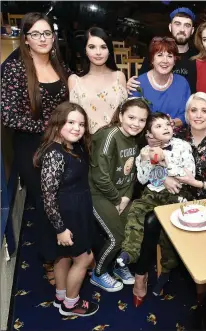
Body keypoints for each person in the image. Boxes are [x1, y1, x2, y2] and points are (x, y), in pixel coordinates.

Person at [130, 92, 206, 308]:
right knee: (151, 220)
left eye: (204, 111)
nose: (198, 115)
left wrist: (195, 183)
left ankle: (197, 280)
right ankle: (142, 274)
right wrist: (166, 176)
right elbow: (151, 159)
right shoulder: (173, 135)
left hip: (205, 200)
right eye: (193, 110)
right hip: (168, 194)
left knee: (174, 219)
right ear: (186, 114)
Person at [1, 12, 72, 286]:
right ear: (26, 39)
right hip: (33, 147)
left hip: (62, 143)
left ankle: (65, 253)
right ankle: (49, 259)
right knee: (45, 204)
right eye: (35, 34)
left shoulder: (57, 61)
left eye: (47, 33)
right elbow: (8, 115)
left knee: (62, 200)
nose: (42, 39)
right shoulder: (15, 68)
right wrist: (50, 128)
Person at [117, 112, 196, 306]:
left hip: (178, 191)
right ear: (150, 134)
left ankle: (166, 268)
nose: (166, 128)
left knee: (162, 222)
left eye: (167, 124)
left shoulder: (182, 146)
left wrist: (164, 161)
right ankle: (129, 252)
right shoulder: (144, 150)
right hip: (153, 192)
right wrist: (146, 160)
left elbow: (189, 174)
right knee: (136, 210)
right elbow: (144, 179)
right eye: (158, 126)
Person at [33, 101, 98, 317]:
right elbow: (48, 196)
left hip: (75, 209)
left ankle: (61, 296)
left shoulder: (73, 146)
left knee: (63, 256)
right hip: (65, 215)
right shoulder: (55, 154)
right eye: (71, 122)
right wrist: (60, 228)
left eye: (81, 124)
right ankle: (71, 304)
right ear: (58, 122)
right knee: (84, 259)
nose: (76, 128)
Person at [89, 98, 150, 292]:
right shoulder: (110, 136)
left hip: (121, 194)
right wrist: (117, 199)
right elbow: (100, 176)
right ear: (121, 115)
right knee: (116, 236)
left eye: (142, 120)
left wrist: (126, 198)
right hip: (99, 194)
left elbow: (131, 172)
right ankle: (98, 273)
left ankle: (117, 266)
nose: (136, 123)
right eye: (131, 117)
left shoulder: (135, 138)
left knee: (131, 227)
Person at [68, 27, 127, 134]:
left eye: (103, 47)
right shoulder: (75, 80)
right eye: (92, 47)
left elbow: (126, 113)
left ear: (109, 50)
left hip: (116, 142)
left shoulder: (119, 77)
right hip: (85, 144)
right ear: (85, 50)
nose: (98, 52)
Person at [127, 6, 197, 94]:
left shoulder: (199, 57)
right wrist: (131, 84)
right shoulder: (155, 55)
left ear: (192, 30)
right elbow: (140, 83)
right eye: (177, 24)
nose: (182, 29)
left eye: (187, 25)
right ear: (170, 27)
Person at [129, 36, 191, 128]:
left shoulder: (182, 83)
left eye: (169, 56)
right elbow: (132, 116)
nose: (165, 61)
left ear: (174, 61)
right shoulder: (138, 83)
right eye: (160, 55)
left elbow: (187, 114)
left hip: (176, 135)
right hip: (145, 136)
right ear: (152, 60)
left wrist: (173, 123)